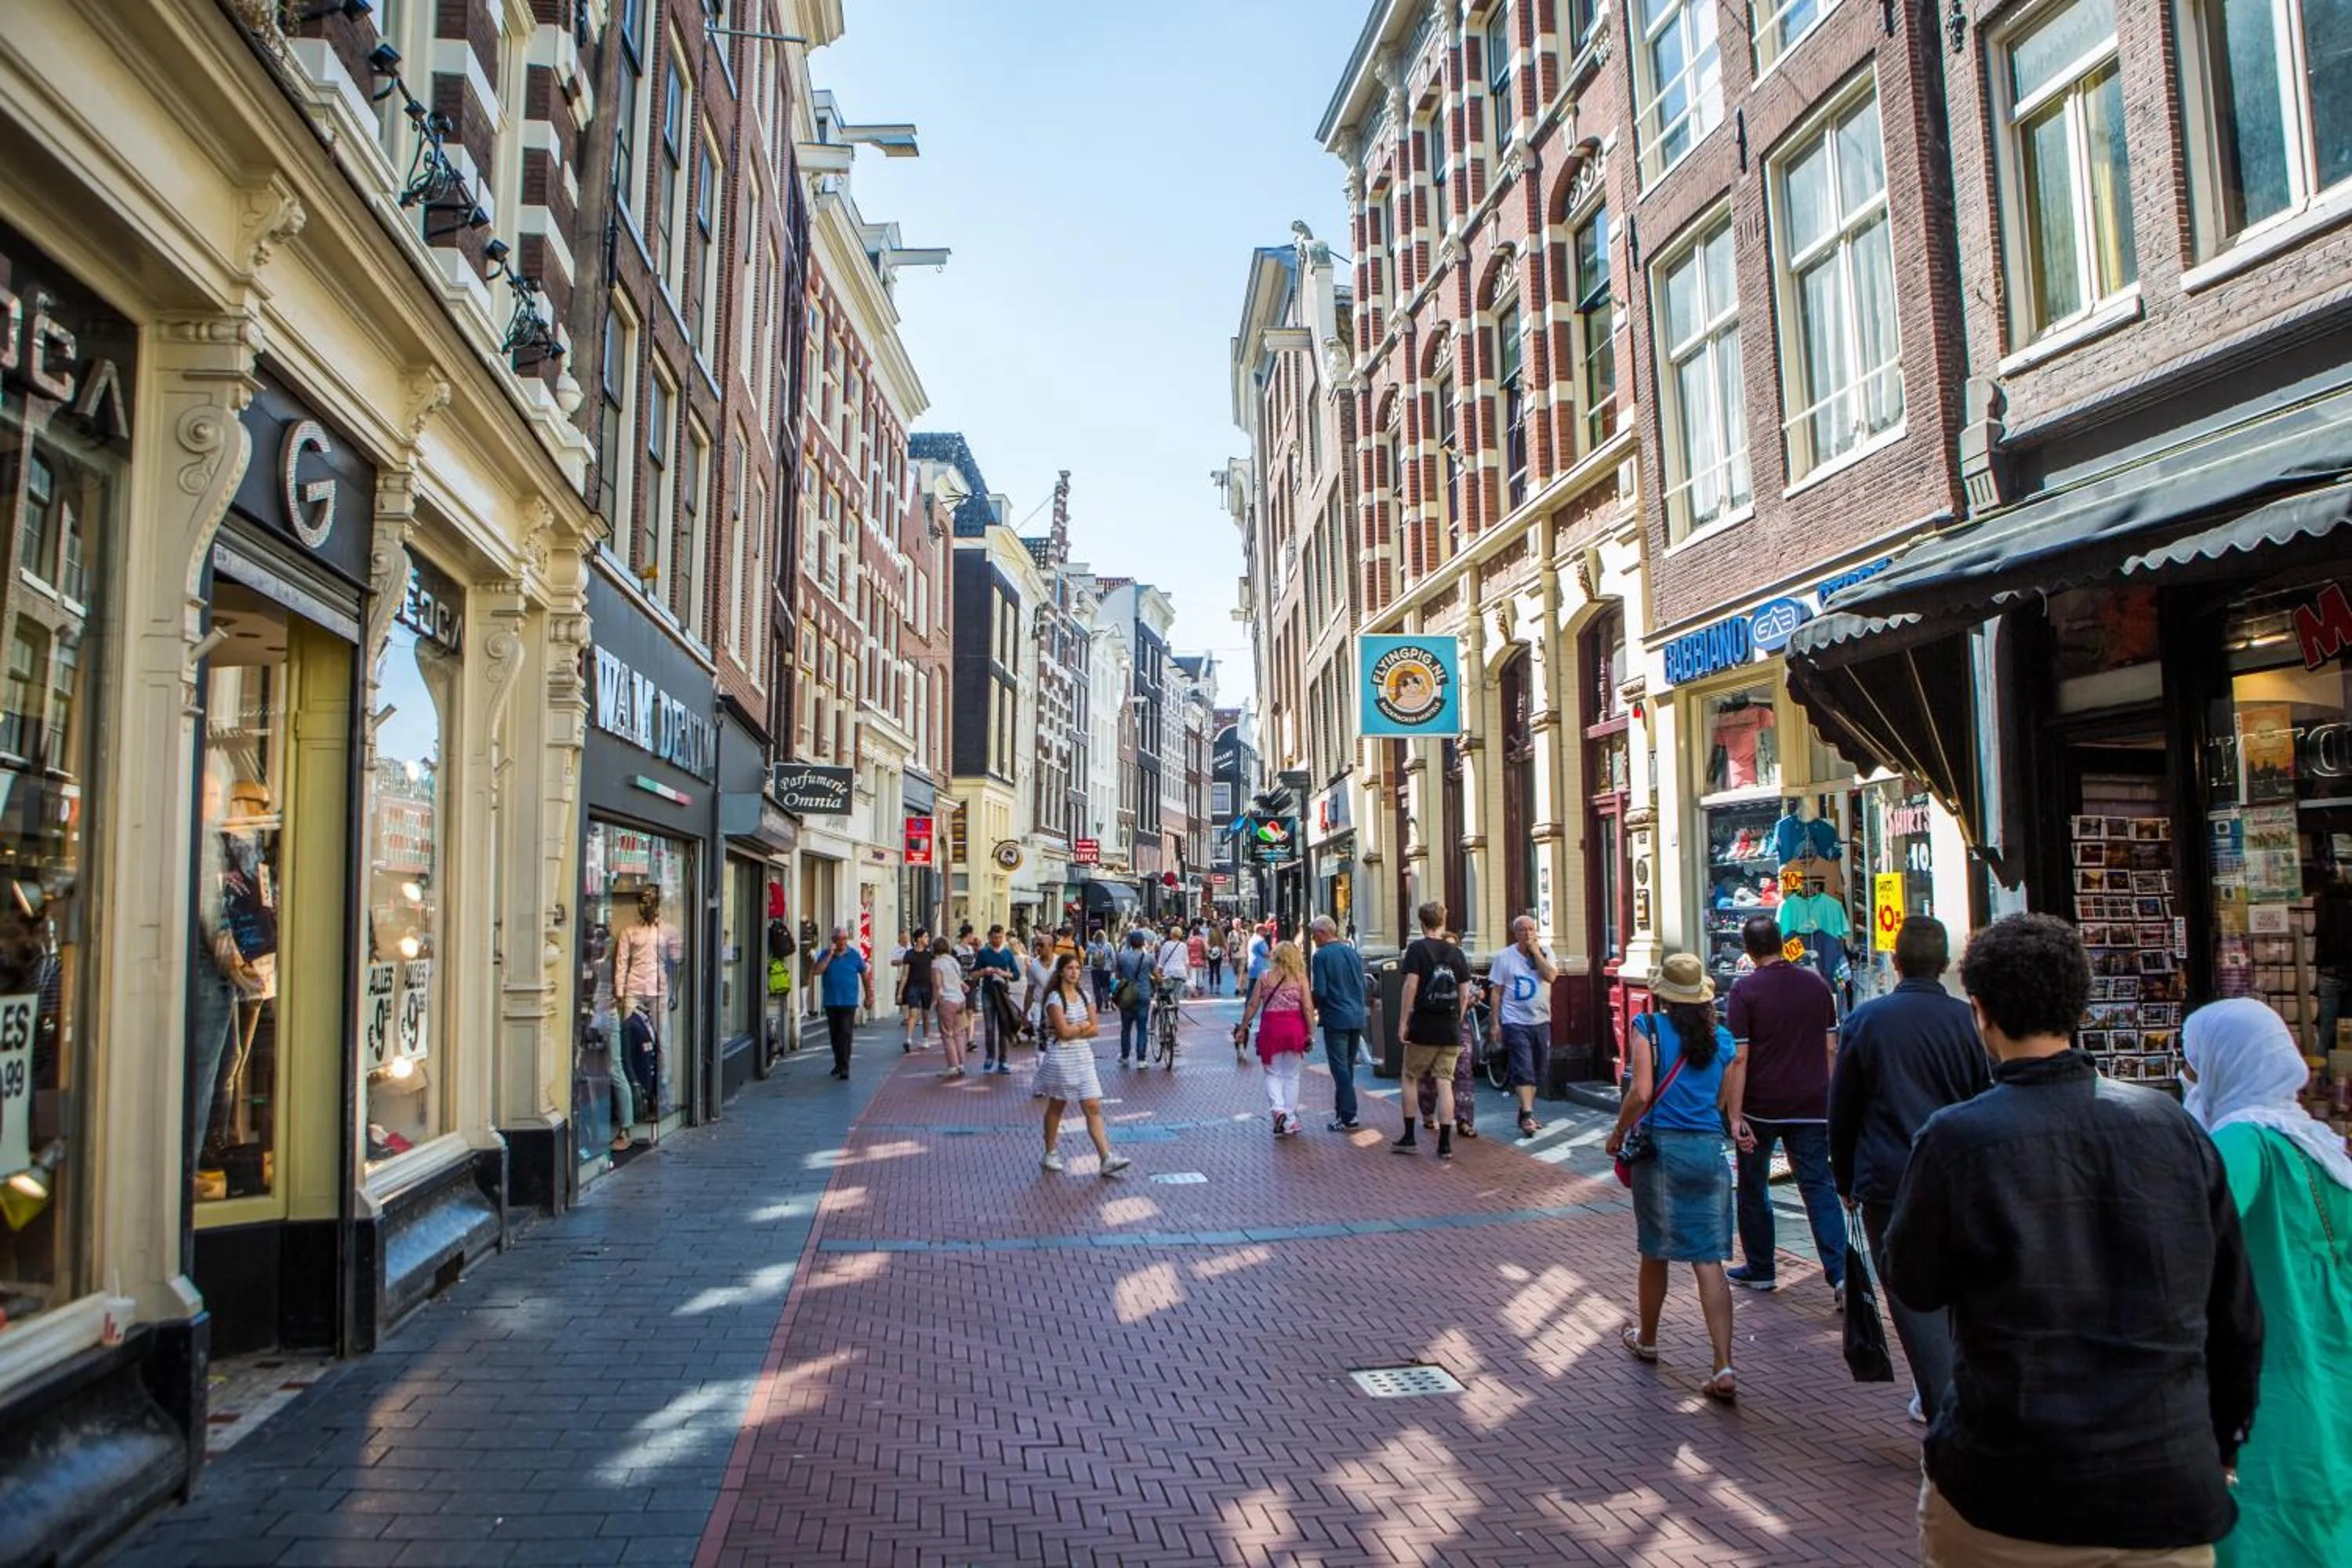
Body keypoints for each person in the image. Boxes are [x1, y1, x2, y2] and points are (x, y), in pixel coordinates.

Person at [1886, 913, 2263, 1565]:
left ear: (1981, 1013)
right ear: (2078, 1005)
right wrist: (2222, 1442)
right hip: (2162, 1486)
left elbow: (1914, 1280)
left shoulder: (1957, 1141)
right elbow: (2234, 1312)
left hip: (2006, 1493)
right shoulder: (2172, 1128)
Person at [2180, 998, 2352, 1568]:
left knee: (2263, 1512)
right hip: (2330, 1354)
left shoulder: (2243, 1140)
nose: (2187, 1079)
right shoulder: (2318, 1143)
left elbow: (2194, 1231)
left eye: (2193, 1066)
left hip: (2267, 1364)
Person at [1828, 916, 1991, 1425]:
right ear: (1945, 965)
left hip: (1889, 1177)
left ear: (1895, 961)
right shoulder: (1969, 1021)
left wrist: (1845, 1177)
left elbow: (1844, 1106)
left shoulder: (1868, 1021)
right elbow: (1984, 1097)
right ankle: (1951, 1391)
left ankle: (1943, 1402)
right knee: (1958, 1283)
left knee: (1908, 1290)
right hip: (1957, 1175)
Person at [1606, 953, 1747, 1403]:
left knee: (1656, 1250)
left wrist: (1618, 1132)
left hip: (1662, 1148)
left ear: (1664, 994)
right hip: (1708, 1151)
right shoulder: (1723, 1040)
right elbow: (1724, 1103)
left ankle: (1647, 1338)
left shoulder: (1647, 1029)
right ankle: (1723, 1363)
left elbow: (1641, 1091)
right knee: (1708, 1259)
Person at [1725, 913, 1846, 1299]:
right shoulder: (1816, 985)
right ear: (1780, 942)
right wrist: (1831, 1097)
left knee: (1754, 1186)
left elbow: (1739, 1058)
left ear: (1748, 950)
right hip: (1812, 1103)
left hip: (1762, 1105)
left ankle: (1761, 1268)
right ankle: (1841, 1273)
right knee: (1817, 1187)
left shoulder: (1745, 992)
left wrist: (1734, 1112)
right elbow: (1830, 1049)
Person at [1035, 953, 1132, 1178]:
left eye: (1078, 968)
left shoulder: (1084, 995)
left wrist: (1075, 1028)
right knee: (1058, 1104)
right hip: (1062, 1056)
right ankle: (1050, 1152)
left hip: (1083, 1055)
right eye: (1070, 968)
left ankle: (1106, 1157)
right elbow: (1063, 1032)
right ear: (1061, 971)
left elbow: (1095, 1029)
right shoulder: (1055, 999)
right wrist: (1081, 1027)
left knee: (1092, 1105)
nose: (1075, 972)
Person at [1394, 901, 1471, 1160]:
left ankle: (1408, 1137)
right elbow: (1464, 993)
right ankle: (1445, 1144)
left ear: (1422, 922)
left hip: (1424, 1025)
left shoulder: (1417, 949)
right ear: (1443, 922)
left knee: (1410, 1076)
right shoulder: (1456, 953)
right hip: (1450, 1028)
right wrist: (1457, 1020)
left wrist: (1404, 1022)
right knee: (1445, 1082)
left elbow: (1411, 986)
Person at [1487, 915, 1558, 1139]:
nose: (1527, 934)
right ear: (1515, 933)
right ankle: (1528, 1115)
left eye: (1531, 930)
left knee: (1538, 1069)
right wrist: (1495, 1022)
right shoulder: (1504, 958)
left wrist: (1536, 953)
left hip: (1540, 1020)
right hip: (1514, 1021)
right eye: (1522, 930)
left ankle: (1524, 1110)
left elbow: (1551, 977)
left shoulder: (1546, 952)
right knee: (1523, 1067)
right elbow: (1496, 991)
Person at [1236, 939, 1316, 1135]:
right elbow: (1307, 1007)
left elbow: (1254, 1004)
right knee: (1292, 1075)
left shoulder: (1265, 977)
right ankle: (1290, 1118)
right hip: (1295, 1028)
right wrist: (1311, 1032)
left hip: (1271, 1028)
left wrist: (1244, 1026)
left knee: (1272, 1073)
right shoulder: (1300, 978)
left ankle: (1277, 1109)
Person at [1308, 916, 1367, 1131]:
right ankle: (1342, 1112)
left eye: (1314, 935)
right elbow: (1362, 983)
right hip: (1356, 1015)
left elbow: (1320, 990)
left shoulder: (1321, 956)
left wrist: (1312, 1007)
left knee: (1339, 1067)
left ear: (1323, 933)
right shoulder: (1352, 952)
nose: (1313, 939)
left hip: (1336, 1016)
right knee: (1347, 1066)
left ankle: (1348, 1114)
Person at [1416, 967, 1479, 1140]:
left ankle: (1464, 1120)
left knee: (1463, 1071)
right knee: (1428, 1073)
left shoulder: (1461, 969)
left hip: (1459, 1027)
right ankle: (1428, 1112)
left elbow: (1472, 993)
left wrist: (1474, 998)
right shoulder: (1429, 969)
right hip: (1433, 1026)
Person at [811, 926, 872, 1080]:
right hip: (831, 1001)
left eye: (845, 939)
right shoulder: (825, 954)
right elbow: (817, 971)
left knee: (845, 1033)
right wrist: (830, 955)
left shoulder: (854, 955)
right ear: (833, 941)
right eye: (840, 939)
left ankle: (845, 1067)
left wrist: (869, 996)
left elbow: (865, 976)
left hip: (848, 1001)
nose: (843, 942)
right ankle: (838, 1063)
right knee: (835, 1035)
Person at [970, 924, 1020, 1076]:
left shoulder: (1007, 954)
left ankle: (1003, 1060)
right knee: (990, 1027)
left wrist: (1004, 973)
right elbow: (973, 975)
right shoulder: (984, 953)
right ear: (989, 937)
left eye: (1000, 937)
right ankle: (990, 1056)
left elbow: (1016, 975)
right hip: (988, 994)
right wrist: (984, 971)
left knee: (1003, 1026)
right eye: (995, 937)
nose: (998, 940)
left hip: (1003, 994)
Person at [1109, 929, 1155, 1067]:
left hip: (1127, 994)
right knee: (1142, 1027)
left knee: (1126, 1027)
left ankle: (1125, 1056)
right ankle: (1141, 1060)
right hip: (1143, 994)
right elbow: (1155, 973)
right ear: (1143, 943)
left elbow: (1117, 976)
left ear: (1129, 942)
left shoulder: (1121, 956)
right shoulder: (1149, 958)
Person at [928, 936, 969, 1077]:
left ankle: (953, 1066)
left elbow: (937, 985)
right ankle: (962, 1064)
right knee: (959, 1033)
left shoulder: (936, 964)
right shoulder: (954, 962)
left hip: (947, 1000)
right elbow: (960, 981)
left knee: (947, 1034)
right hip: (960, 1000)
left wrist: (934, 1001)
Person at [895, 927, 933, 1052]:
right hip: (913, 986)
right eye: (926, 937)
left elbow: (934, 972)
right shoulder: (909, 954)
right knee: (913, 1013)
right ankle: (908, 1039)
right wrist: (900, 992)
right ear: (919, 939)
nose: (928, 939)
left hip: (927, 987)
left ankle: (926, 1038)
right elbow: (905, 974)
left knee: (926, 1014)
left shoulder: (930, 955)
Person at [1085, 926, 1114, 1012]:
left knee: (1096, 988)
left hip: (1095, 969)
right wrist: (1113, 968)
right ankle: (1106, 1002)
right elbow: (1113, 957)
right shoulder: (1108, 945)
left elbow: (1085, 954)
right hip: (1106, 969)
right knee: (1106, 987)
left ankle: (1098, 1006)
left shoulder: (1092, 945)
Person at [1186, 925, 1210, 996]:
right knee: (1200, 976)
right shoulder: (1201, 940)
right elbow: (1205, 950)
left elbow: (1187, 950)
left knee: (1193, 976)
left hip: (1192, 959)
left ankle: (1193, 990)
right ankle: (1200, 989)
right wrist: (1206, 957)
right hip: (1200, 959)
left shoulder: (1189, 941)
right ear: (1199, 933)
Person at [1225, 922, 1247, 996]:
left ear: (1241, 924)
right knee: (1237, 973)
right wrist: (1227, 955)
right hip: (1234, 956)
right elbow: (1228, 944)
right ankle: (1243, 987)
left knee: (1240, 972)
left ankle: (1237, 988)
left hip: (1243, 955)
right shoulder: (1231, 934)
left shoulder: (1245, 933)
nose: (1237, 926)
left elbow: (1248, 943)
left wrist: (1248, 954)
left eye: (1238, 924)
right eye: (1235, 924)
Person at [1205, 924, 1225, 994]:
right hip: (1218, 954)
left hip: (1211, 954)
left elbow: (1207, 944)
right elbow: (1223, 945)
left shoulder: (1209, 934)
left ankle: (1211, 988)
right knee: (1218, 972)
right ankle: (1218, 988)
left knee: (1211, 971)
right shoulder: (1220, 934)